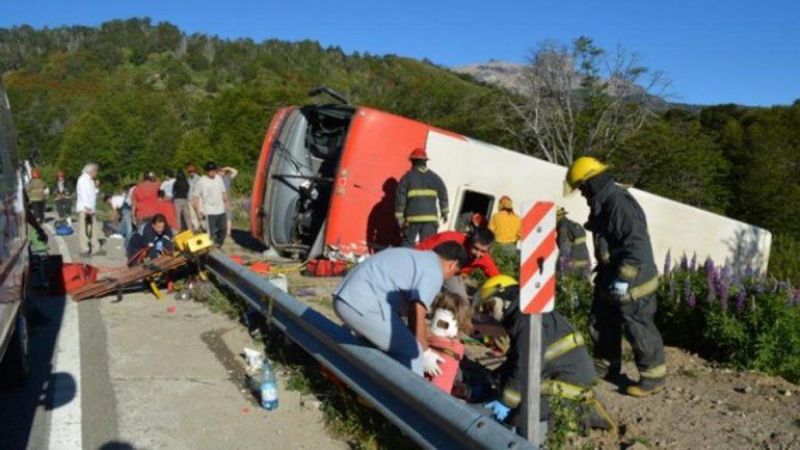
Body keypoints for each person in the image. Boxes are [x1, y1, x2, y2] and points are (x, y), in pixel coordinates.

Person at [565, 156, 666, 397]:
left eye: (581, 189)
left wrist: (624, 280)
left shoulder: (618, 204)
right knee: (602, 319)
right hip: (612, 274)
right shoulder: (605, 202)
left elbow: (636, 247)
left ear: (590, 184)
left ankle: (653, 377)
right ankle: (606, 365)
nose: (581, 194)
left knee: (638, 326)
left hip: (634, 278)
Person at [478, 276, 616, 436]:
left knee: (521, 418)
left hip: (566, 381)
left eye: (490, 306)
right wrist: (493, 380)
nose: (489, 313)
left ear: (505, 296)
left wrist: (505, 402)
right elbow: (517, 360)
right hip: (560, 374)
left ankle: (577, 415)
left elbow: (525, 365)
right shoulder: (523, 313)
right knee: (512, 394)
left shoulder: (525, 317)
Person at [333, 242, 468, 375]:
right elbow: (417, 309)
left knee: (386, 342)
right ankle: (413, 394)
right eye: (454, 273)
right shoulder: (435, 272)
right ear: (453, 265)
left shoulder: (415, 257)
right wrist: (425, 352)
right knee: (412, 351)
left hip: (346, 298)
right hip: (360, 305)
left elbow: (409, 310)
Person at [416, 228, 500, 301]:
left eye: (483, 251)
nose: (478, 254)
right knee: (421, 294)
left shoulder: (484, 257)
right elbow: (421, 249)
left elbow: (498, 278)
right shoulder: (450, 237)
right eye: (475, 248)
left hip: (453, 274)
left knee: (461, 302)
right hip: (431, 265)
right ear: (469, 241)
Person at [395, 147, 449, 246]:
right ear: (425, 161)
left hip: (412, 219)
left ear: (412, 161)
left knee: (407, 243)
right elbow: (443, 194)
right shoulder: (435, 177)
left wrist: (400, 218)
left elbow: (400, 198)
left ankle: (404, 261)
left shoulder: (407, 178)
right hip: (430, 219)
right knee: (427, 245)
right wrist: (444, 212)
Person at [193, 161, 229, 247]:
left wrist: (226, 203)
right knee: (211, 234)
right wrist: (198, 212)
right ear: (206, 171)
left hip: (221, 210)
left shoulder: (219, 178)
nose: (212, 172)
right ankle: (211, 249)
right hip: (209, 212)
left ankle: (218, 245)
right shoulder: (201, 181)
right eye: (210, 170)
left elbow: (224, 191)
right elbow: (195, 198)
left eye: (214, 170)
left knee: (224, 230)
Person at [75, 163, 103, 257]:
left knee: (94, 229)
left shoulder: (89, 180)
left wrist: (96, 187)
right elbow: (84, 194)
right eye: (95, 171)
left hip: (90, 208)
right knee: (84, 229)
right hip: (85, 208)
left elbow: (92, 193)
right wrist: (87, 207)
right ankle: (84, 249)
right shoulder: (83, 180)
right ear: (91, 171)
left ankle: (96, 248)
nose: (96, 173)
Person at [556, 207, 591, 276]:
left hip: (573, 260)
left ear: (558, 216)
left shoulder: (562, 226)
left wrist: (562, 261)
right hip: (584, 258)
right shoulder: (574, 224)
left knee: (569, 283)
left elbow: (563, 244)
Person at [220, 166, 238, 237]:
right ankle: (221, 231)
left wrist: (227, 168)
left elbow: (235, 172)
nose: (221, 172)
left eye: (222, 171)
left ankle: (228, 232)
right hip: (218, 200)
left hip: (227, 200)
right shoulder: (216, 178)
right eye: (220, 171)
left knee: (228, 217)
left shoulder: (227, 177)